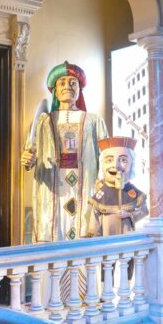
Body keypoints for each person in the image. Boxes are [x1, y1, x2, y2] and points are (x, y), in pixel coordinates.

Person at [22, 61, 108, 242]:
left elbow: (106, 154)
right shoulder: (43, 121)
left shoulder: (93, 120)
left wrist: (103, 178)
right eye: (62, 83)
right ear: (54, 90)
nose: (68, 86)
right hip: (53, 186)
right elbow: (31, 152)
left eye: (73, 82)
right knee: (54, 227)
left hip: (85, 184)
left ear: (79, 89)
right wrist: (28, 159)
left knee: (84, 227)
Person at [85, 137, 148, 237]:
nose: (116, 165)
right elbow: (94, 222)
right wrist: (94, 241)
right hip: (106, 241)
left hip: (127, 240)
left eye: (123, 160)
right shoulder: (101, 194)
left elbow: (144, 210)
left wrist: (129, 215)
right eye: (109, 160)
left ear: (132, 164)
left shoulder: (133, 191)